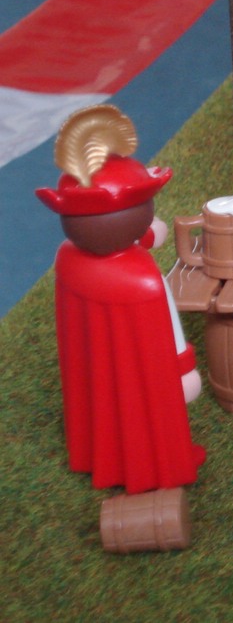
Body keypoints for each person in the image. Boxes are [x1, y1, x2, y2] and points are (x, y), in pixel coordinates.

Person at [36, 105, 203, 494]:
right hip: (155, 377)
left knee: (105, 395)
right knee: (146, 406)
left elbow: (113, 234)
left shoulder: (68, 260)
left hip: (100, 372)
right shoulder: (145, 281)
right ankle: (158, 466)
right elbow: (171, 333)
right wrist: (184, 370)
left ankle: (103, 456)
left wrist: (143, 232)